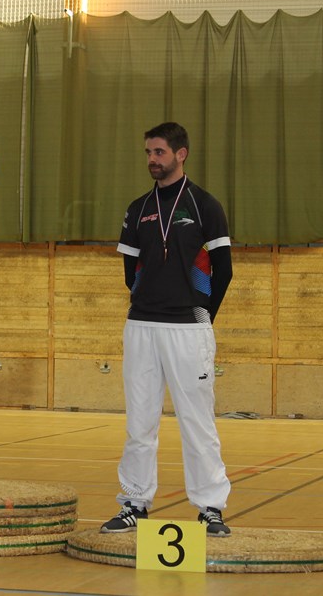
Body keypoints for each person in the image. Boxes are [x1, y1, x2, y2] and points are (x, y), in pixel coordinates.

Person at [101, 121, 233, 536]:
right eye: (148, 153)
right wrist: (148, 299)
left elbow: (224, 271)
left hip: (188, 329)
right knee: (139, 423)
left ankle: (210, 506)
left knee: (197, 423)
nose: (152, 160)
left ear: (181, 154)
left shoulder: (205, 205)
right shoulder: (138, 208)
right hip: (141, 325)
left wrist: (201, 315)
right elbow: (130, 271)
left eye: (159, 152)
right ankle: (134, 502)